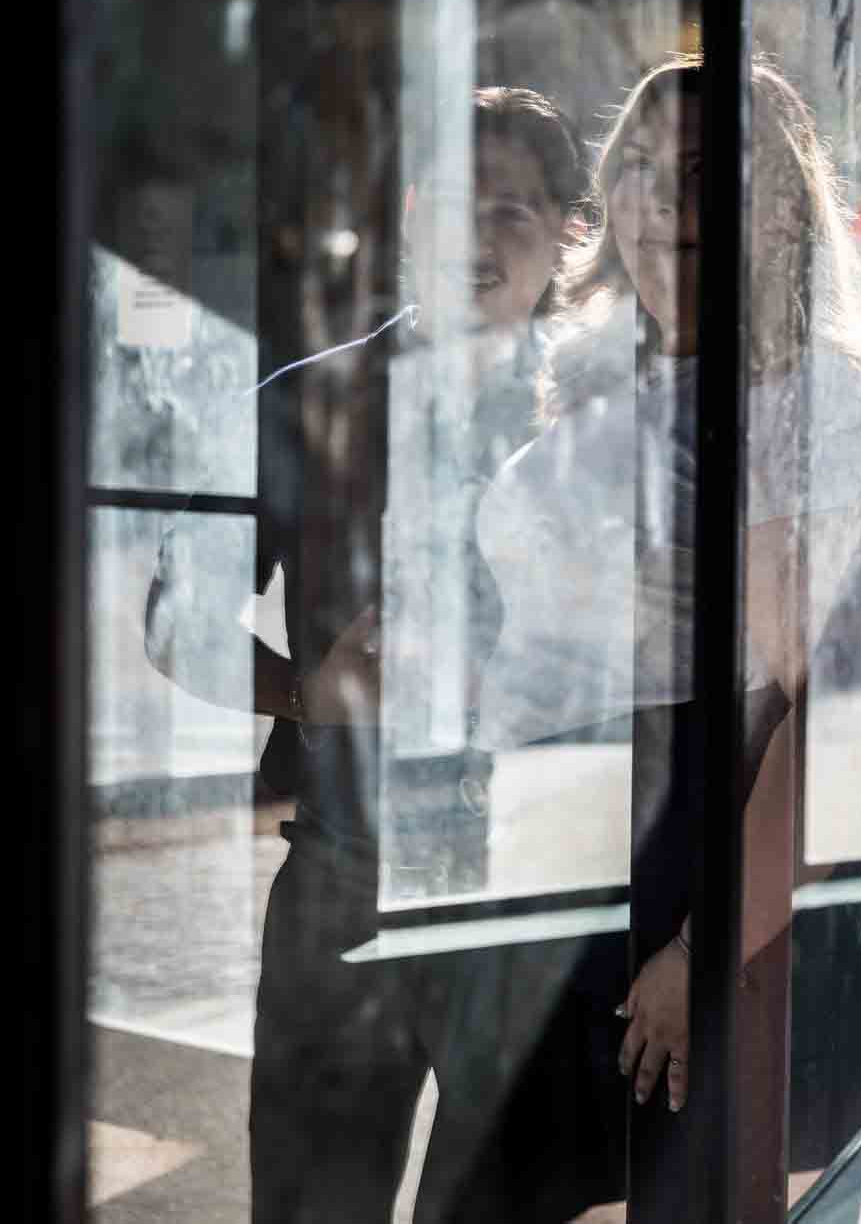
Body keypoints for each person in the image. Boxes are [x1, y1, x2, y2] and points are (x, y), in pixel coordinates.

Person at [469, 53, 861, 1214]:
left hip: (704, 874)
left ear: (781, 207)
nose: (665, 199)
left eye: (709, 174)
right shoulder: (592, 378)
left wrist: (698, 948)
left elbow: (835, 723)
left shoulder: (804, 403)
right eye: (641, 167)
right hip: (552, 870)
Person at [142, 85, 588, 1222]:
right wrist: (307, 694)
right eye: (451, 208)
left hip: (538, 901)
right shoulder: (305, 404)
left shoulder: (605, 420)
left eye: (513, 213)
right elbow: (168, 616)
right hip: (346, 883)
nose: (478, 243)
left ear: (566, 237)